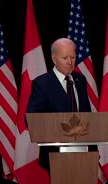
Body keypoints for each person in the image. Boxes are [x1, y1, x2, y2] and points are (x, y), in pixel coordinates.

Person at [26, 37, 92, 171]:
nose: (70, 62)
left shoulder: (80, 80)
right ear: (54, 59)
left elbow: (87, 115)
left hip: (84, 152)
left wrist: (92, 148)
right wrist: (66, 129)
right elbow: (31, 120)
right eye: (65, 58)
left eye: (73, 57)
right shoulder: (42, 84)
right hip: (55, 154)